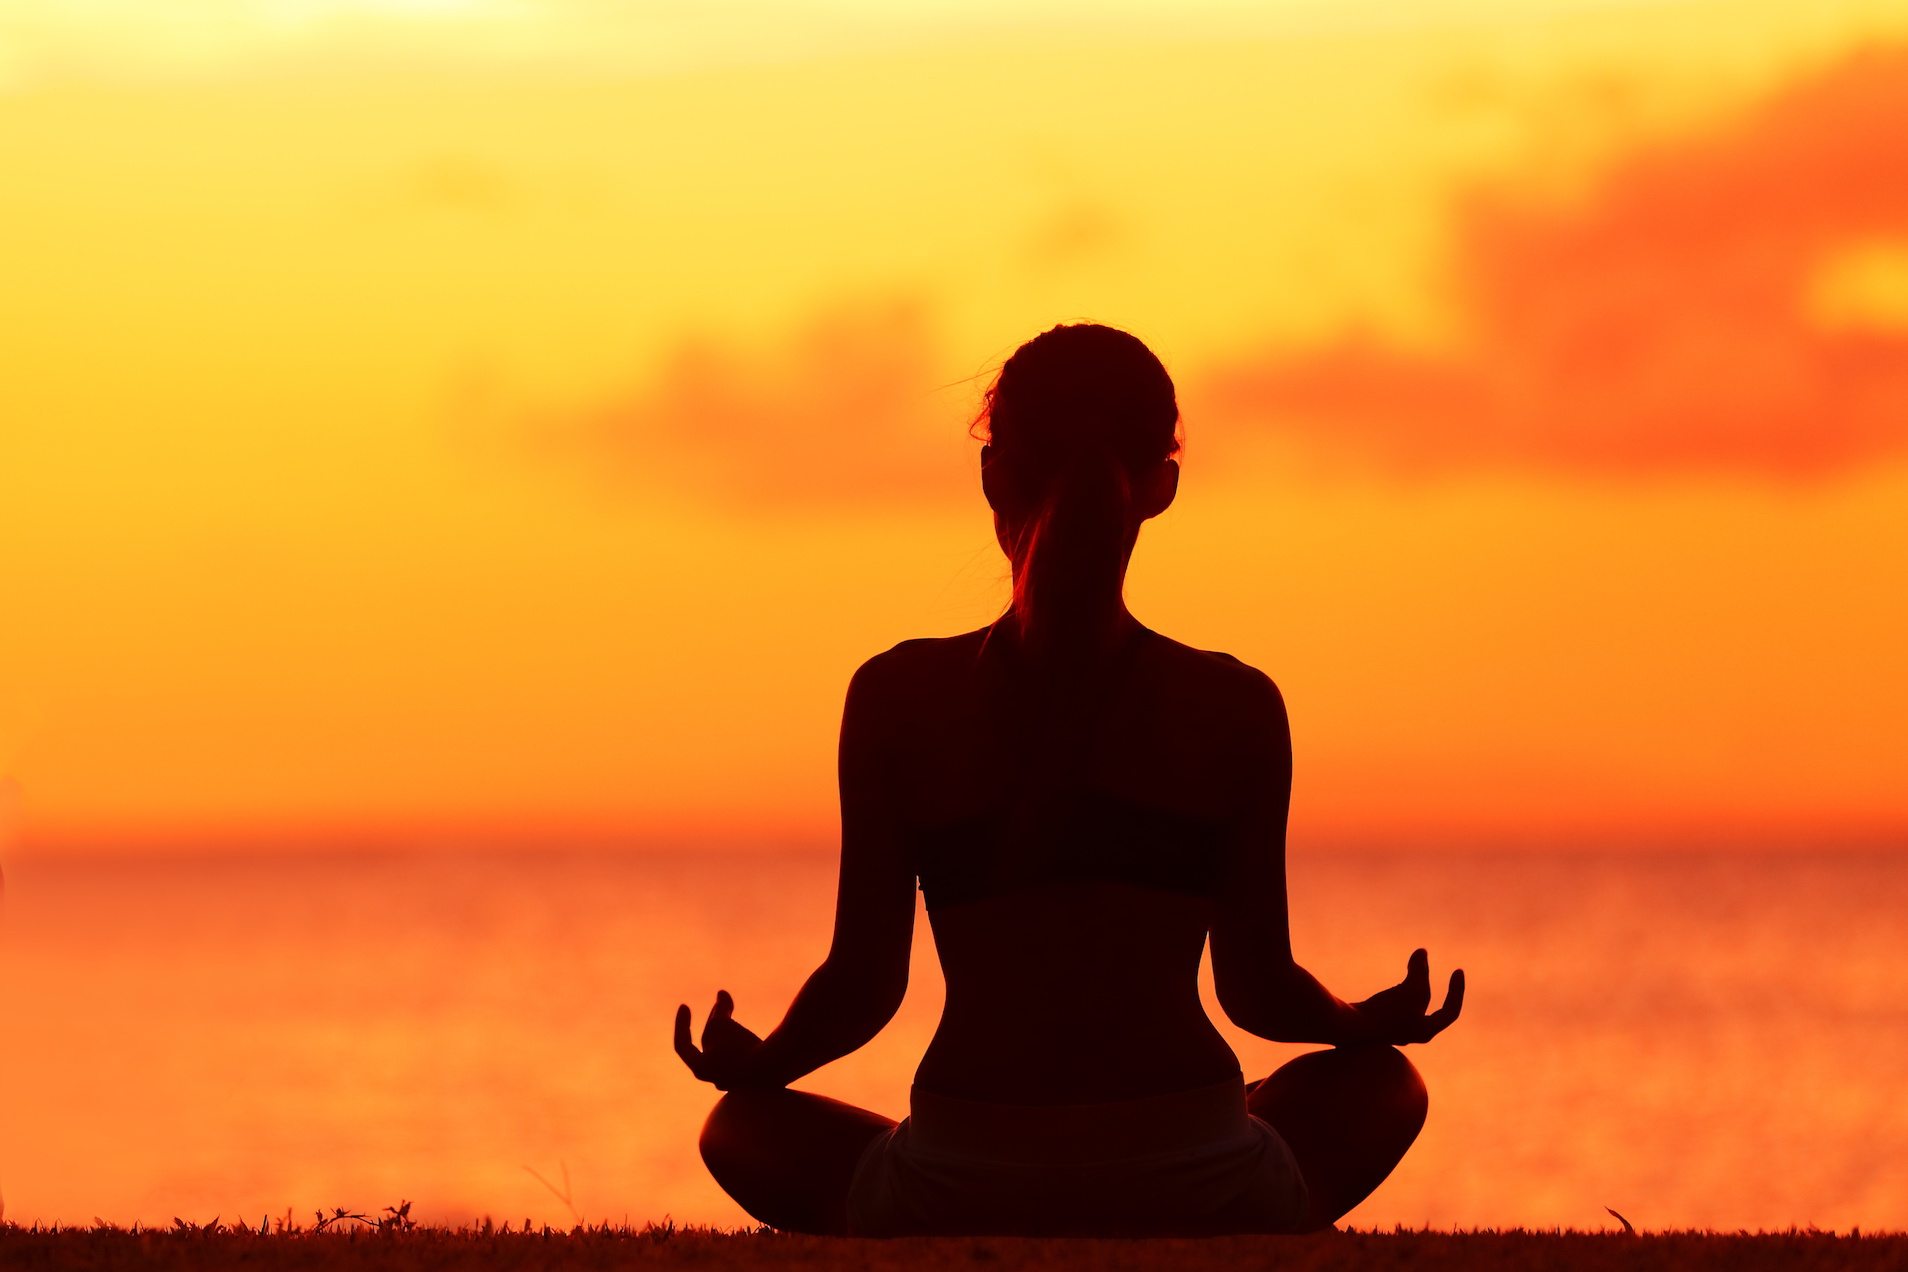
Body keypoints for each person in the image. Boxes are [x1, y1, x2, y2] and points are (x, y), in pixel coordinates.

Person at [673, 322, 1464, 1236]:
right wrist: (1362, 1021)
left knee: (740, 1127)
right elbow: (1260, 990)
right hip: (1201, 1175)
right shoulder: (1237, 706)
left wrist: (766, 1059)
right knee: (1384, 1083)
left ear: (992, 474)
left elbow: (864, 985)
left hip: (958, 1177)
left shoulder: (894, 698)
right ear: (1161, 484)